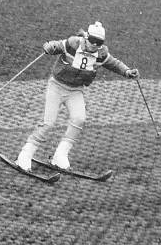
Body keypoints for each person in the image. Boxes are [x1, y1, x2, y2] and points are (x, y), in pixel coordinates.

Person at [15, 21, 140, 171]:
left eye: (98, 42)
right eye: (92, 40)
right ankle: (25, 155)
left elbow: (114, 64)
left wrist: (127, 72)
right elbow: (57, 45)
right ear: (86, 37)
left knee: (79, 119)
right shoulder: (73, 43)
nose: (94, 45)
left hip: (75, 90)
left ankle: (60, 155)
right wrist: (50, 47)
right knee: (48, 123)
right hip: (57, 87)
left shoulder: (101, 54)